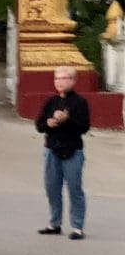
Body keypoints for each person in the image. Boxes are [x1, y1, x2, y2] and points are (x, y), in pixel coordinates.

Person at [35, 66, 90, 240]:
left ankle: (77, 227)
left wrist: (67, 120)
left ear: (73, 81)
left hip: (73, 150)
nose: (59, 82)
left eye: (64, 78)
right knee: (52, 188)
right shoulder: (51, 102)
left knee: (74, 189)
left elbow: (84, 127)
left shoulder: (80, 102)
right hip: (51, 149)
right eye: (56, 78)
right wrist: (48, 123)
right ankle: (54, 223)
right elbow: (39, 124)